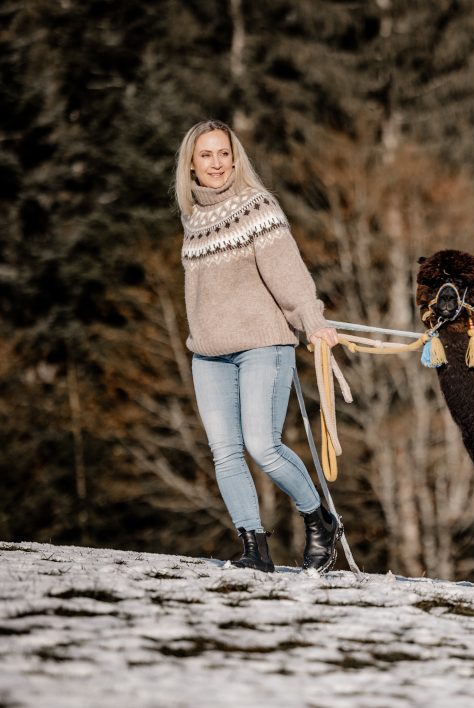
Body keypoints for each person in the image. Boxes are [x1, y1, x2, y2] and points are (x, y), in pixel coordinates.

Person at [174, 119, 340, 574]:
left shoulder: (257, 207)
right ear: (191, 161)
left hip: (262, 345)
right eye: (206, 155)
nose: (216, 163)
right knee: (224, 451)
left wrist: (313, 321)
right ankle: (254, 547)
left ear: (235, 157)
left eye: (223, 153)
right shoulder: (193, 220)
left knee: (263, 446)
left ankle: (319, 521)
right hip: (208, 352)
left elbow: (288, 274)